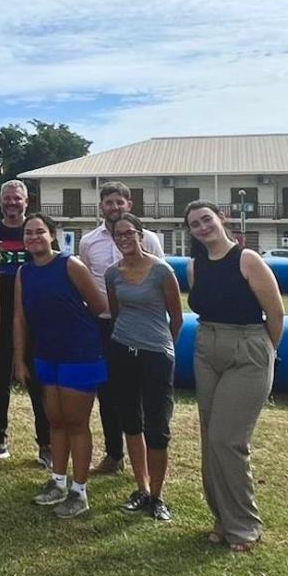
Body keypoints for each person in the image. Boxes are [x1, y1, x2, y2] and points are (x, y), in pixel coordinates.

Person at [185, 200, 284, 552]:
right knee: (210, 439)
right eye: (194, 224)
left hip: (248, 348)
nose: (201, 227)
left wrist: (267, 353)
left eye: (206, 219)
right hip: (207, 346)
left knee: (228, 440)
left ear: (221, 219)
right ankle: (223, 519)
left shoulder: (247, 259)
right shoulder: (195, 266)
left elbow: (275, 312)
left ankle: (245, 525)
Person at [14, 213, 107, 518]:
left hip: (79, 353)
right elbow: (20, 318)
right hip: (46, 355)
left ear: (52, 235)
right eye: (28, 233)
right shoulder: (24, 273)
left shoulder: (70, 265)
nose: (34, 237)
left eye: (40, 232)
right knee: (55, 421)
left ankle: (79, 491)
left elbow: (98, 307)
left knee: (76, 422)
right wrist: (19, 358)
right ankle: (58, 482)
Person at [77, 181, 165, 476]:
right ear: (101, 207)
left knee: (140, 392)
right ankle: (114, 454)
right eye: (109, 202)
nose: (114, 207)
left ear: (129, 205)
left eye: (119, 202)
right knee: (108, 392)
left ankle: (145, 453)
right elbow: (88, 281)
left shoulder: (150, 239)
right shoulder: (88, 242)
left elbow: (161, 281)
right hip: (103, 325)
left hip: (142, 325)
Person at [104, 212, 183, 522]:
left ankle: (158, 496)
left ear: (140, 234)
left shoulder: (161, 271)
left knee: (157, 427)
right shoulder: (113, 273)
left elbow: (176, 318)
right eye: (117, 235)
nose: (123, 239)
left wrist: (163, 347)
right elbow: (115, 313)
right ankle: (142, 488)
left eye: (128, 233)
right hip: (123, 350)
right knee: (131, 423)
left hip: (156, 354)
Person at [0, 180, 49, 467]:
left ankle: (46, 443)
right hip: (0, 315)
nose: (12, 203)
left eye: (17, 199)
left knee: (37, 381)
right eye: (7, 199)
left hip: (35, 316)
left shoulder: (34, 231)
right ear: (1, 201)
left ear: (26, 201)